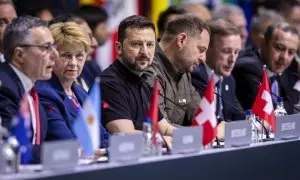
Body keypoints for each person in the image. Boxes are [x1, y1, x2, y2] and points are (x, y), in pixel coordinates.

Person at [101, 15, 174, 145]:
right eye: (136, 44)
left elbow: (165, 128)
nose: (145, 52)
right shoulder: (109, 83)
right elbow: (126, 134)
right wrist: (163, 140)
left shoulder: (144, 80)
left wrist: (196, 134)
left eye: (150, 44)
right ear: (118, 48)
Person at [35, 22, 109, 147]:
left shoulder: (81, 93)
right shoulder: (44, 93)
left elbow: (102, 135)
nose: (74, 63)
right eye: (66, 56)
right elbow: (65, 141)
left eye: (79, 56)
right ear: (51, 55)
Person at [0, 16, 57, 163]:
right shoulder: (4, 88)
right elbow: (9, 146)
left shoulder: (30, 89)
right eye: (46, 47)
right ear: (19, 55)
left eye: (54, 47)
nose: (55, 55)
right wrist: (63, 153)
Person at [145, 14, 210, 126]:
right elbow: (160, 128)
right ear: (181, 40)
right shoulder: (147, 67)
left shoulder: (184, 69)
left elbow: (200, 118)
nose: (203, 59)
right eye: (201, 50)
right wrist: (201, 133)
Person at [191, 19, 245, 139]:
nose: (232, 59)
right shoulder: (195, 76)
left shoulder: (228, 79)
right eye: (226, 51)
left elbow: (240, 116)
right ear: (206, 49)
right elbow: (200, 123)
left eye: (236, 52)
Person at [233, 22, 300, 114]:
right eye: (279, 48)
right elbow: (272, 115)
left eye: (291, 52)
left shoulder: (288, 68)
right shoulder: (249, 69)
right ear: (262, 42)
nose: (284, 57)